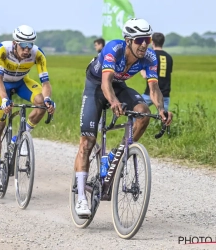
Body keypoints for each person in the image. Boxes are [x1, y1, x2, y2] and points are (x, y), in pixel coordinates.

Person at [74, 18, 173, 216]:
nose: (144, 44)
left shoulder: (150, 56)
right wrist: (113, 103)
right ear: (128, 40)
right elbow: (105, 83)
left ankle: (118, 152)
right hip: (97, 86)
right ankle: (80, 198)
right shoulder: (114, 49)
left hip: (119, 87)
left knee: (143, 113)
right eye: (139, 40)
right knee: (87, 142)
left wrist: (161, 108)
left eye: (147, 39)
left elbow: (154, 88)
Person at [0, 25, 56, 189]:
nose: (27, 50)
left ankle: (20, 136)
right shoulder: (3, 50)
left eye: (30, 45)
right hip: (2, 84)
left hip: (21, 82)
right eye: (23, 45)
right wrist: (4, 99)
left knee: (41, 103)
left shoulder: (38, 54)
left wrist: (47, 98)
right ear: (15, 43)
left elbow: (45, 82)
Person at [140, 32, 173, 111]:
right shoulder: (169, 57)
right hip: (165, 94)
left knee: (136, 110)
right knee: (164, 118)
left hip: (151, 93)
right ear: (163, 42)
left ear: (152, 42)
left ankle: (131, 123)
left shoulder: (151, 55)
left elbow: (145, 75)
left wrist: (140, 67)